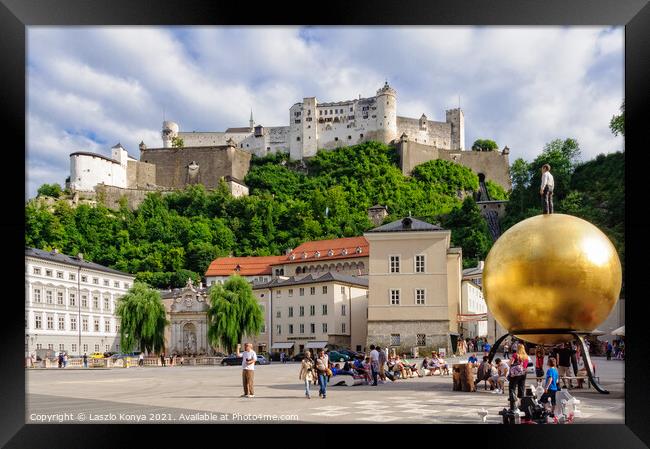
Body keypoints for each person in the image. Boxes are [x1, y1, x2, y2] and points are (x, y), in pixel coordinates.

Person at [508, 345, 529, 411]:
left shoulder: (515, 355)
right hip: (523, 373)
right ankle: (521, 403)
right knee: (521, 387)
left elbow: (510, 363)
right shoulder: (526, 356)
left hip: (515, 374)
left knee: (512, 387)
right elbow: (526, 366)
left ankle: (513, 403)